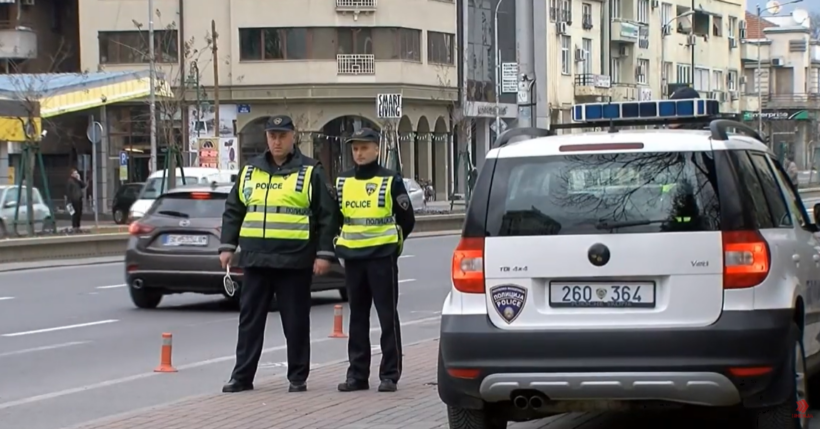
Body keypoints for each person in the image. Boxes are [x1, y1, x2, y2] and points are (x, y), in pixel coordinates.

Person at [218, 115, 336, 394]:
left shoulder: (310, 171)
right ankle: (242, 377)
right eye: (272, 136)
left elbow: (327, 216)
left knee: (295, 323)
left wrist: (324, 254)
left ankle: (297, 377)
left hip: (294, 259)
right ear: (266, 138)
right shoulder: (250, 171)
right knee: (249, 322)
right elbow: (234, 210)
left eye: (282, 135)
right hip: (256, 259)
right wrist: (227, 246)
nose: (276, 141)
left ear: (292, 137)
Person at [334, 128, 416, 393]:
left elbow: (407, 219)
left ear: (376, 149)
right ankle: (357, 375)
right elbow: (336, 219)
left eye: (364, 148)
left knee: (386, 317)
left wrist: (394, 246)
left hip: (382, 257)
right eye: (355, 148)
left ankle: (389, 374)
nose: (359, 153)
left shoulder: (390, 179)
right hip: (354, 259)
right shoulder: (343, 181)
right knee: (357, 318)